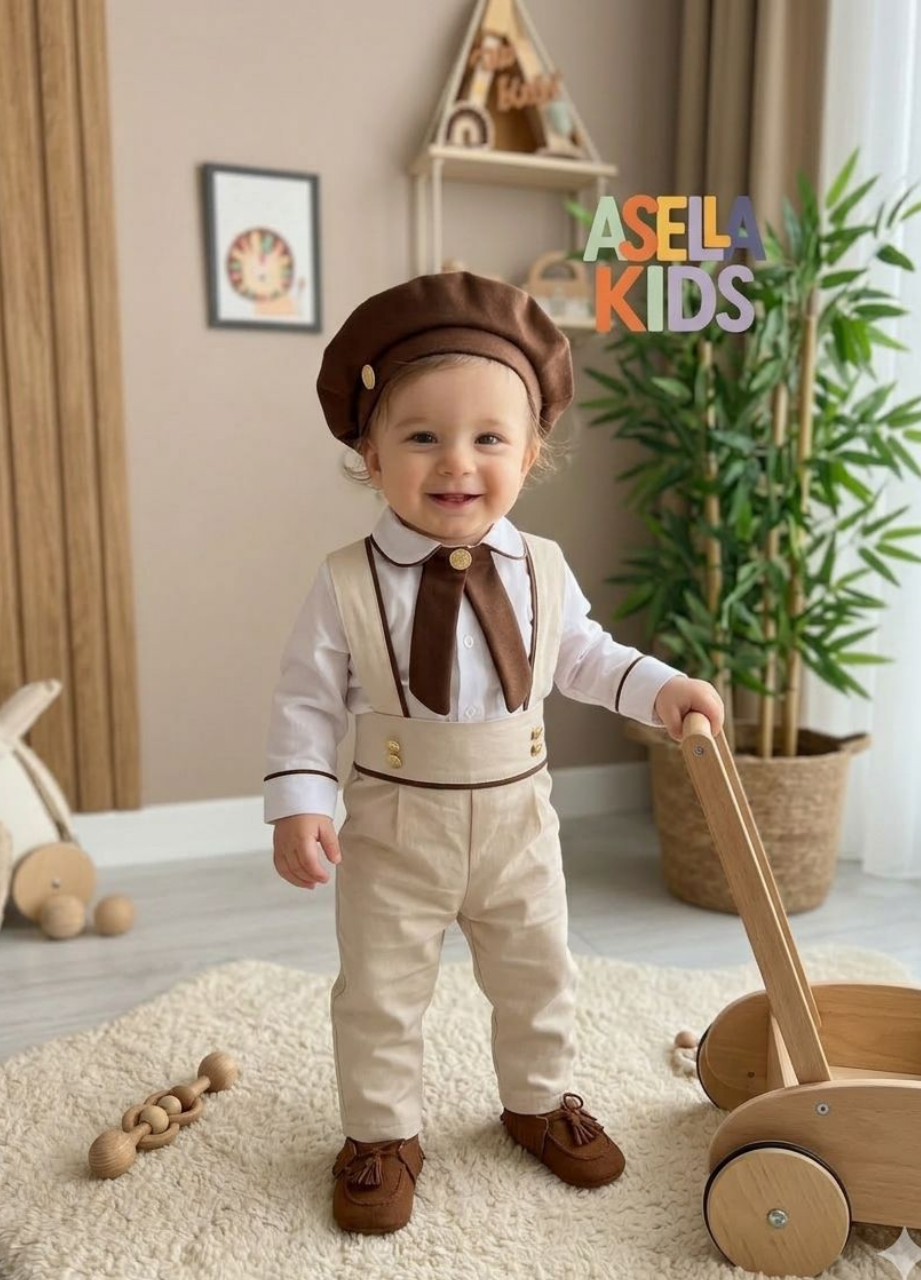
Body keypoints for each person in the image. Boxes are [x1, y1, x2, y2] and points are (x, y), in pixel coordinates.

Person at [264, 271, 724, 1235]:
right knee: (381, 987)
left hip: (519, 820)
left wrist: (663, 688)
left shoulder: (541, 569)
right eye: (421, 437)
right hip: (394, 824)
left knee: (538, 971)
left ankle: (538, 1101)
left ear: (531, 451)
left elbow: (587, 657)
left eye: (487, 438)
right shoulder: (345, 583)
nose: (456, 463)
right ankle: (381, 1134)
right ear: (369, 453)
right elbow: (307, 699)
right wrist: (300, 801)